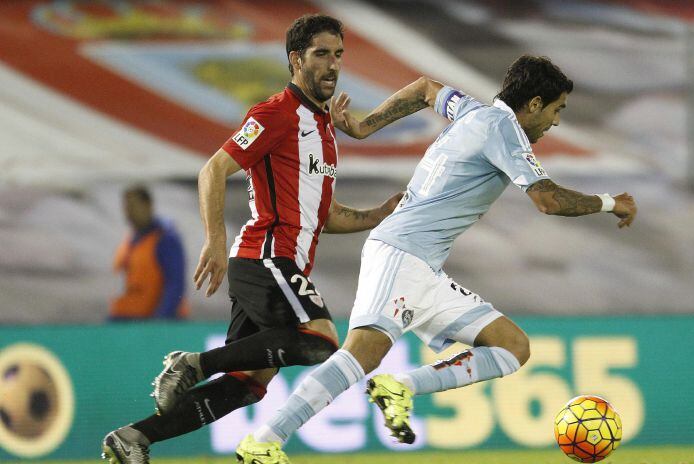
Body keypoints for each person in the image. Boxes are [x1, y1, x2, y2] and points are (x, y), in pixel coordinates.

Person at [234, 55, 637, 463]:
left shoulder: (472, 111)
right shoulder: (504, 128)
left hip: (422, 267)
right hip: (401, 254)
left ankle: (401, 387)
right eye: (556, 110)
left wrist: (363, 126)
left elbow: (425, 89)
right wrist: (609, 203)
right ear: (534, 103)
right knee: (361, 354)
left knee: (511, 346)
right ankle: (264, 440)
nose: (555, 122)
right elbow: (547, 200)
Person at [101, 14, 402, 464]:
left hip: (284, 264)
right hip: (265, 257)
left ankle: (133, 437)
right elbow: (213, 170)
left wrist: (378, 215)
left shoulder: (324, 130)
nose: (333, 65)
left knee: (249, 384)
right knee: (319, 340)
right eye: (322, 54)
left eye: (339, 55)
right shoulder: (275, 113)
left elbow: (322, 215)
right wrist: (214, 242)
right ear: (296, 60)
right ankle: (192, 364)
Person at [109, 185, 189, 321]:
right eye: (126, 207)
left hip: (153, 322)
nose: (129, 213)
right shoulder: (131, 240)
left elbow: (175, 284)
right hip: (127, 319)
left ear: (148, 205)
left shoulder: (165, 239)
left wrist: (159, 322)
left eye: (133, 206)